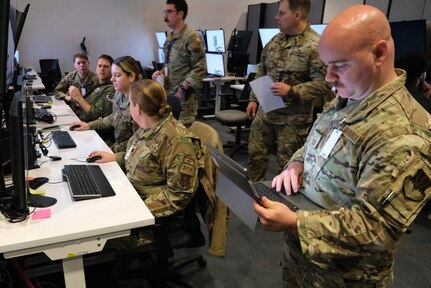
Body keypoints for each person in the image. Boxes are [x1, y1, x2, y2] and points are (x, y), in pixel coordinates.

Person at [253, 5, 431, 287]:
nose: (328, 78)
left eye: (339, 65)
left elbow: (376, 230)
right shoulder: (348, 97)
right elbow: (316, 140)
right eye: (327, 66)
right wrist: (297, 163)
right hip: (303, 265)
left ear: (379, 54)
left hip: (344, 278)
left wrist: (295, 223)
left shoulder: (405, 134)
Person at [88, 79, 204, 249]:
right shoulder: (147, 126)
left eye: (130, 103)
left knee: (92, 235)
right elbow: (137, 156)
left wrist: (135, 210)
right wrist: (116, 157)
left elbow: (178, 195)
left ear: (138, 108)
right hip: (130, 194)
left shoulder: (177, 143)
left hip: (150, 221)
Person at [246, 0, 333, 182]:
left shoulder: (315, 46)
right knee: (255, 158)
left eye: (281, 13)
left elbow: (324, 84)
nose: (276, 18)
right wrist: (254, 99)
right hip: (266, 112)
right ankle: (252, 201)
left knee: (287, 168)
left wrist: (293, 90)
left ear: (297, 15)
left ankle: (281, 207)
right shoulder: (275, 40)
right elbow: (262, 68)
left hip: (293, 121)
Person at [69, 56, 142, 153]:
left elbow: (138, 141)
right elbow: (113, 117)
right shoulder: (119, 94)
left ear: (131, 76)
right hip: (118, 148)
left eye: (117, 75)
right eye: (112, 75)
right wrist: (89, 125)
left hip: (128, 154)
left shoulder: (140, 103)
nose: (112, 79)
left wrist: (111, 151)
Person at [152, 0, 206, 127]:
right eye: (164, 12)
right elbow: (168, 64)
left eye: (169, 11)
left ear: (180, 13)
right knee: (168, 131)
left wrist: (183, 88)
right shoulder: (170, 37)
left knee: (182, 135)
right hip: (169, 94)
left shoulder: (191, 37)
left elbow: (200, 66)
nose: (165, 15)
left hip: (184, 98)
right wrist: (160, 72)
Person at [68, 54, 115, 122]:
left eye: (106, 66)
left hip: (90, 128)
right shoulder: (97, 84)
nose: (102, 69)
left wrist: (79, 97)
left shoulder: (110, 89)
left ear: (112, 70)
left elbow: (96, 115)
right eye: (99, 66)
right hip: (78, 118)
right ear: (96, 68)